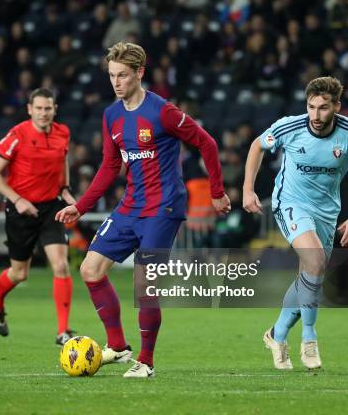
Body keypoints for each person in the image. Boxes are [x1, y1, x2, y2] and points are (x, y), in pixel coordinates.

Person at [56, 42, 230, 378]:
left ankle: (146, 362)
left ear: (139, 73)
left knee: (145, 284)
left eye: (122, 75)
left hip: (164, 207)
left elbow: (206, 142)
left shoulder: (162, 112)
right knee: (91, 269)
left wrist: (217, 192)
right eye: (111, 76)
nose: (116, 82)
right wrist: (80, 206)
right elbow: (109, 167)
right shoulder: (112, 115)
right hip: (131, 206)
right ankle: (118, 346)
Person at [243, 76, 348, 370]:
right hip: (290, 203)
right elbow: (257, 146)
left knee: (311, 276)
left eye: (324, 108)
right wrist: (247, 189)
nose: (316, 115)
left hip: (327, 213)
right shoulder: (290, 127)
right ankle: (309, 338)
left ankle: (277, 334)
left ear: (337, 107)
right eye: (311, 107)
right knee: (315, 262)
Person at [0, 87, 76, 345]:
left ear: (54, 109)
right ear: (29, 109)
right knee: (20, 273)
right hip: (20, 210)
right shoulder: (17, 135)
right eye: (38, 108)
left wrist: (65, 189)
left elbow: (63, 160)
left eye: (48, 108)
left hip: (50, 208)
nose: (43, 113)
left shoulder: (63, 133)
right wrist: (18, 199)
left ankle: (63, 331)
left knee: (60, 265)